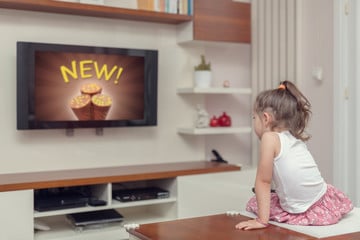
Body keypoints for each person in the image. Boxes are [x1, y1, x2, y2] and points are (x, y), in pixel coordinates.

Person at [235, 80, 353, 230]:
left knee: (253, 202)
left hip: (302, 209)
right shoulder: (291, 137)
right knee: (265, 199)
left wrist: (261, 220)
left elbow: (264, 181)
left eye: (254, 118)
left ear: (265, 118)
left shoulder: (269, 138)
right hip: (322, 201)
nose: (254, 122)